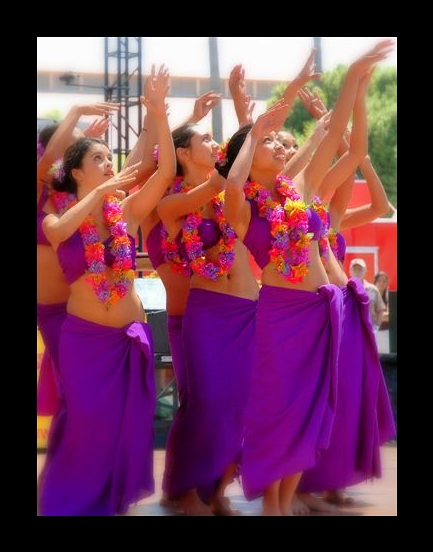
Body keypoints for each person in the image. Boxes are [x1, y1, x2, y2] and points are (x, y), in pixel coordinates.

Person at [220, 41, 393, 515]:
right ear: (248, 153)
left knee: (312, 412)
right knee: (280, 411)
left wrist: (356, 80)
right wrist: (254, 132)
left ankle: (280, 502)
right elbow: (234, 181)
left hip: (321, 311)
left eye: (281, 143)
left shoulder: (300, 189)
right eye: (269, 144)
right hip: (281, 313)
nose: (279, 146)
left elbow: (348, 140)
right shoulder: (243, 206)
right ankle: (272, 504)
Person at [38, 67, 176, 516]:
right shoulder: (57, 218)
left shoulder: (127, 212)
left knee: (128, 423)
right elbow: (59, 228)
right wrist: (99, 195)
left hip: (129, 336)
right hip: (84, 338)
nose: (108, 165)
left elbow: (158, 167)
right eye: (98, 159)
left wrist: (156, 114)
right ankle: (70, 499)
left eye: (107, 159)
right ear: (75, 171)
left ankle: (115, 499)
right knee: (86, 421)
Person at [297, 79, 396, 507]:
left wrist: (355, 153)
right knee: (324, 396)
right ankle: (312, 482)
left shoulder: (329, 213)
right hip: (316, 312)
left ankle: (336, 480)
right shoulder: (295, 213)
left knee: (351, 395)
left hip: (350, 309)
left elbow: (380, 206)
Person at [156, 120, 259, 516]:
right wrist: (247, 137)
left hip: (250, 310)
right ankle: (187, 493)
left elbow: (238, 178)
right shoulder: (172, 203)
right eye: (205, 139)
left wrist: (255, 133)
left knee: (244, 405)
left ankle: (218, 492)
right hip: (210, 315)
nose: (213, 143)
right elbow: (221, 183)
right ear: (183, 153)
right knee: (209, 403)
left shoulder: (236, 193)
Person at [37, 103, 119, 417]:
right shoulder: (39, 190)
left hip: (83, 307)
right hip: (52, 310)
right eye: (69, 146)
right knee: (76, 392)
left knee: (90, 389)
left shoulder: (81, 196)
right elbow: (48, 162)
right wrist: (73, 113)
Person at [349, 258, 386, 333]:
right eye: (355, 269)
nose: (357, 272)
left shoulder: (372, 289)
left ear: (365, 270)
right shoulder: (345, 290)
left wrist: (376, 327)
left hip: (369, 331)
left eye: (360, 269)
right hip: (352, 331)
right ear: (350, 271)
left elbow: (381, 309)